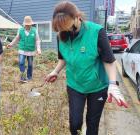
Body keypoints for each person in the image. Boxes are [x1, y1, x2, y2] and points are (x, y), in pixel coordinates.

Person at [45, 1, 128, 135]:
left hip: (97, 86)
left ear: (78, 17)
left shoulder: (96, 32)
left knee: (92, 124)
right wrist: (55, 71)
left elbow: (109, 60)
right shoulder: (61, 36)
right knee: (75, 124)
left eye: (69, 27)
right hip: (75, 84)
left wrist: (113, 84)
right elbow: (63, 58)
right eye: (63, 29)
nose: (67, 32)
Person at [7, 16, 41, 82]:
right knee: (21, 62)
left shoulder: (34, 30)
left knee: (30, 64)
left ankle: (29, 77)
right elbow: (16, 39)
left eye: (29, 25)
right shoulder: (21, 30)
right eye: (26, 25)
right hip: (22, 50)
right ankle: (22, 77)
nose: (27, 26)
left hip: (31, 51)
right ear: (24, 24)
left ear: (31, 24)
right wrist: (11, 44)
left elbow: (37, 40)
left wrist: (38, 49)